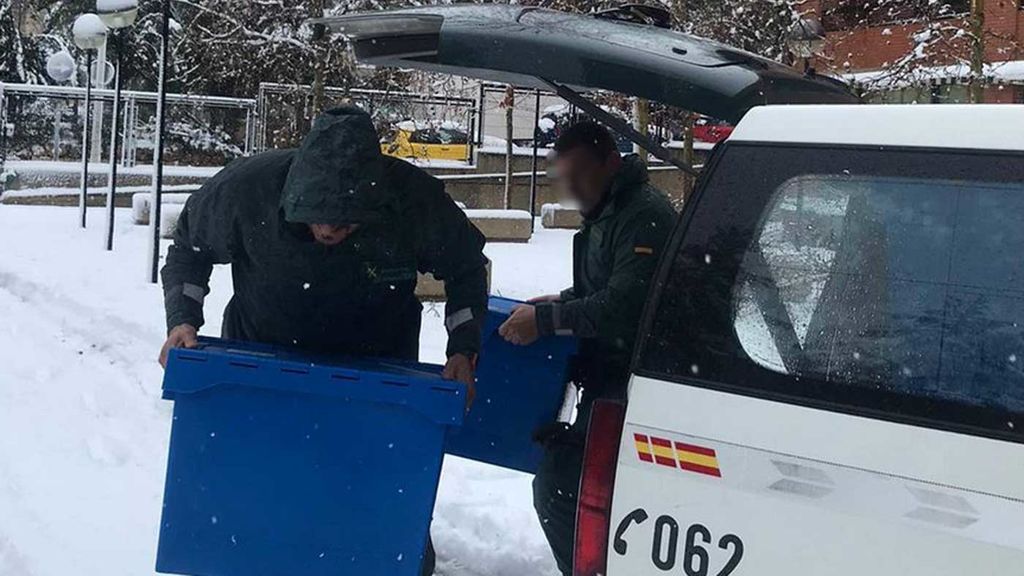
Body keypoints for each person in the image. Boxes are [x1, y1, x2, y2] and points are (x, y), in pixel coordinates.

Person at [159, 105, 488, 576]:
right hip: (265, 362)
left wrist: (463, 348)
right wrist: (182, 321)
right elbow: (189, 251)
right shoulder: (246, 189)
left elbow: (466, 268)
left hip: (378, 372)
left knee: (368, 491)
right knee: (263, 482)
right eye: (318, 218)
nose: (330, 229)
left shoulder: (414, 201)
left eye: (347, 220)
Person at [498, 121, 677, 575]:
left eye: (579, 173)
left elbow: (626, 306)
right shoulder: (609, 213)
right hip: (614, 378)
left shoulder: (642, 215)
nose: (571, 187)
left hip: (642, 383)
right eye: (564, 175)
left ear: (610, 162)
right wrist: (565, 300)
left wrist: (548, 321)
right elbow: (608, 287)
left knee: (563, 487)